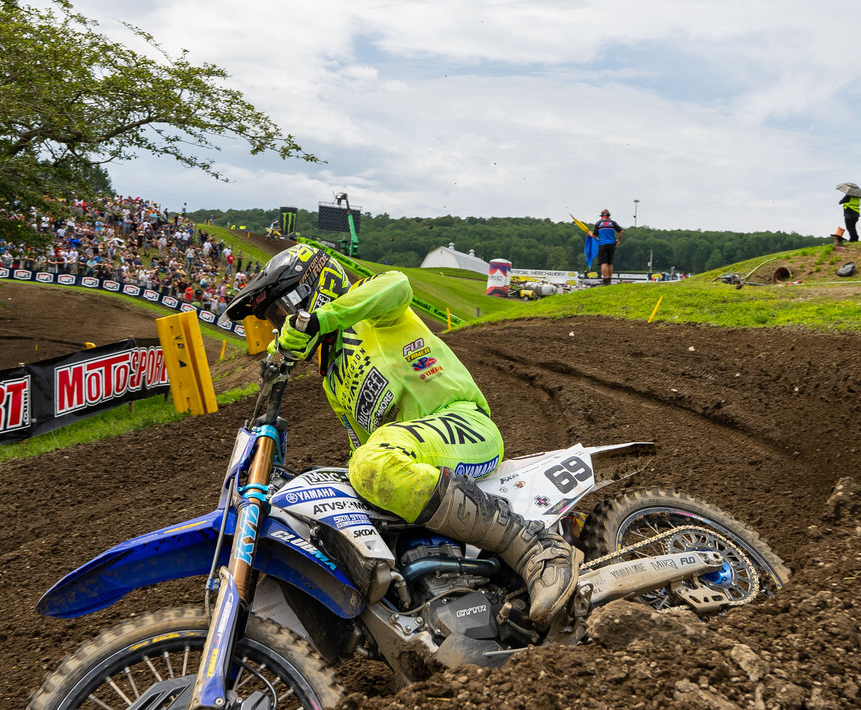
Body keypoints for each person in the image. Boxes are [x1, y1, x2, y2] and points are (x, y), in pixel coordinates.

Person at [226, 246, 580, 627]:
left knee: (372, 464)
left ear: (313, 289)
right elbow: (361, 442)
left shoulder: (369, 307)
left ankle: (537, 549)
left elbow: (398, 285)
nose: (283, 325)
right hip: (415, 449)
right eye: (276, 321)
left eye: (282, 311)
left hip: (463, 423)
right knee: (354, 481)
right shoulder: (332, 375)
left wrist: (323, 318)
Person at [591, 209, 620, 283]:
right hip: (612, 244)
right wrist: (618, 240)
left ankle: (605, 280)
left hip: (603, 244)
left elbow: (594, 236)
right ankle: (609, 279)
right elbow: (621, 231)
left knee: (603, 263)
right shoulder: (613, 223)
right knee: (610, 263)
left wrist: (589, 234)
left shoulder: (598, 223)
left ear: (601, 215)